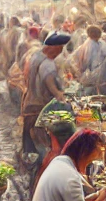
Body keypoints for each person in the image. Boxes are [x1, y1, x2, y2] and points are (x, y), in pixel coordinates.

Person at [21, 33, 70, 161]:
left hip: (29, 103)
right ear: (52, 48)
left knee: (29, 141)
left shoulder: (36, 56)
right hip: (41, 108)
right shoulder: (47, 64)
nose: (58, 54)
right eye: (58, 50)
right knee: (43, 145)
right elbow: (52, 86)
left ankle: (30, 166)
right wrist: (60, 95)